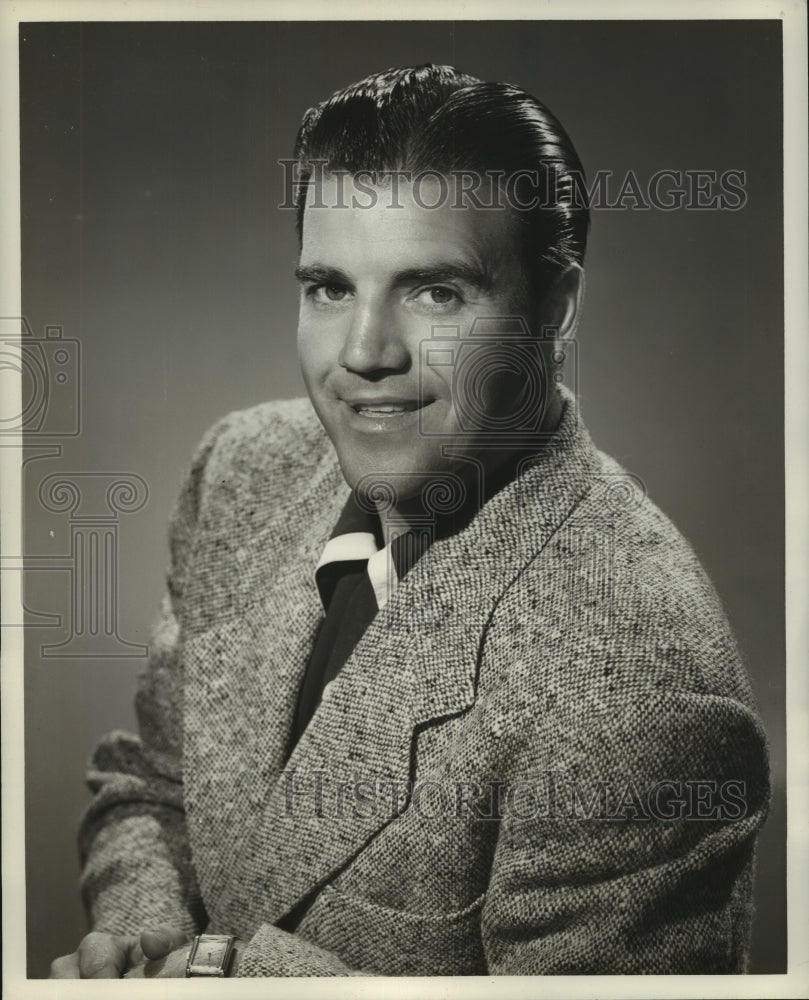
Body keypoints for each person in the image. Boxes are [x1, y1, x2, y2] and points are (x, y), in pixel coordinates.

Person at [49, 64, 769, 979]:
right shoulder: (241, 472)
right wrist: (137, 937)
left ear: (556, 311)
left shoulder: (636, 675)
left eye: (434, 292)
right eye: (328, 288)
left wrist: (211, 979)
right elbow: (153, 784)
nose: (362, 354)